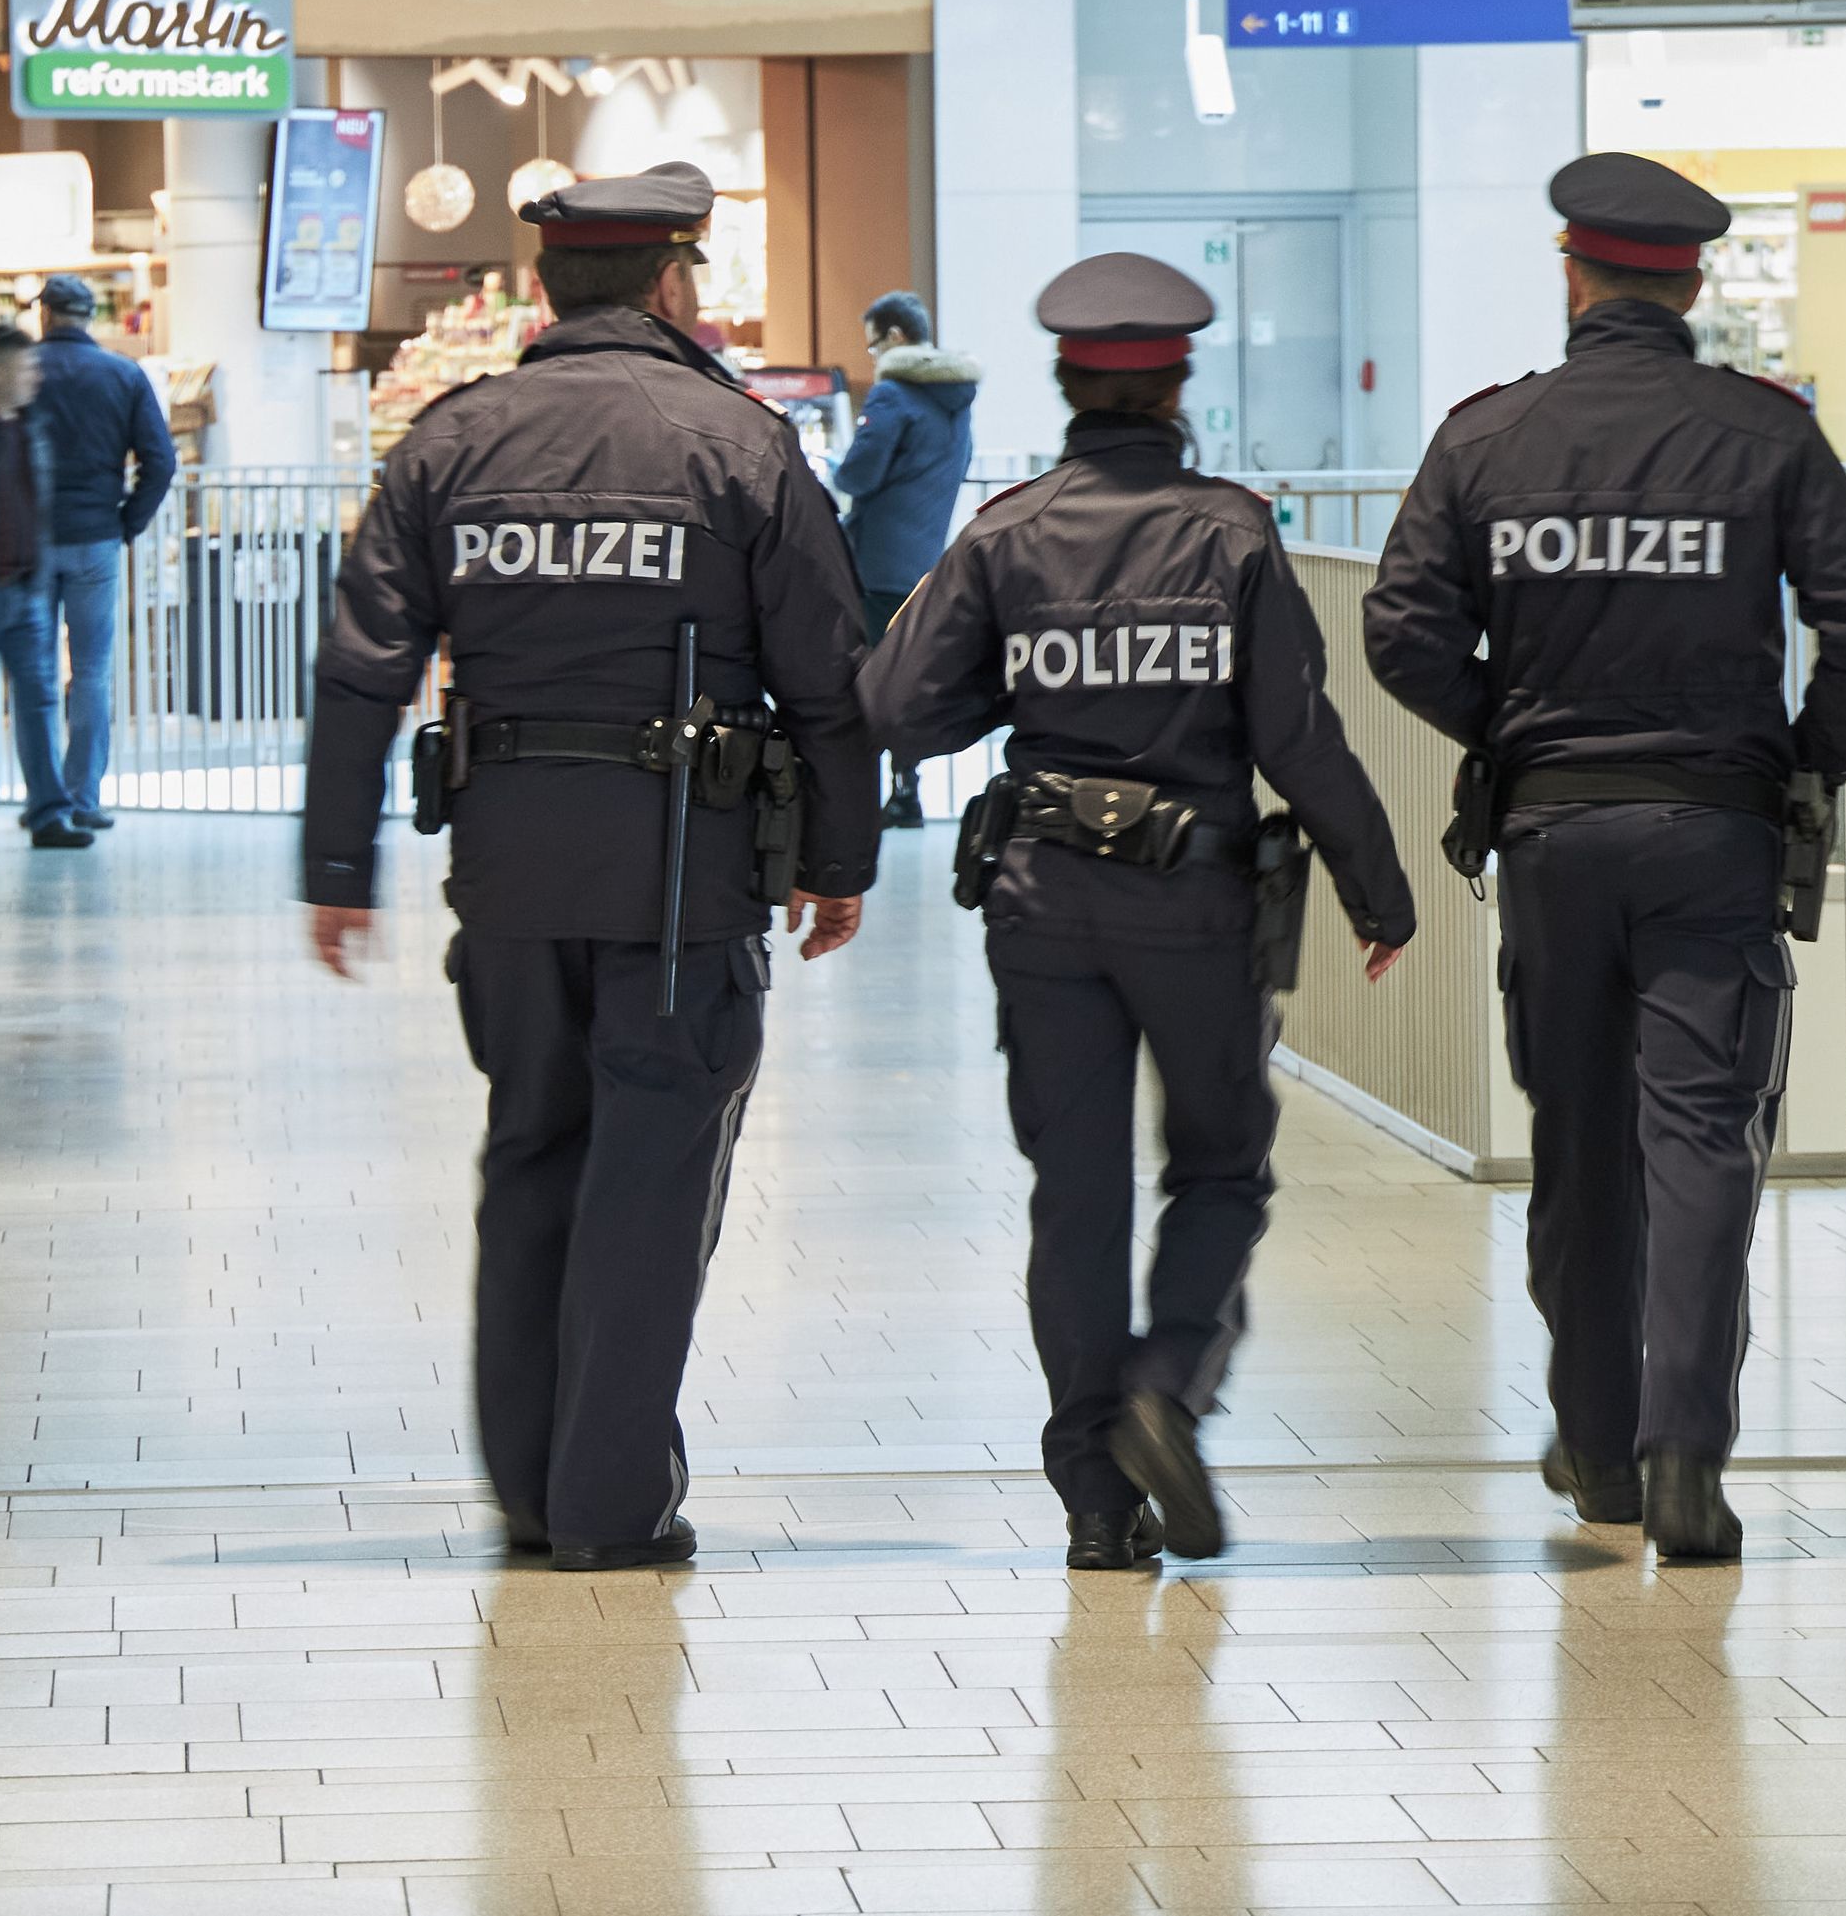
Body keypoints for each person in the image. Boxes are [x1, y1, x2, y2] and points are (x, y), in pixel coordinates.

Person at [300, 163, 882, 1572]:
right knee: (652, 1180)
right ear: (673, 281)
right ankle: (612, 1506)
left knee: (532, 1158)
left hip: (506, 874)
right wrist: (839, 857)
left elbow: (363, 663)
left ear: (553, 284)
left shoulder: (450, 440)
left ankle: (530, 1492)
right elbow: (829, 671)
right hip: (684, 879)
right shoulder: (740, 447)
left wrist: (338, 862)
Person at [1360, 153, 1846, 1561]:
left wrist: (1511, 732)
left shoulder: (1490, 437)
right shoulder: (1763, 433)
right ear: (1691, 282)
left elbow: (1401, 630)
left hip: (1553, 836)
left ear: (1574, 272)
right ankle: (1685, 1457)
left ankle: (1599, 1446)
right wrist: (1801, 759)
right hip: (1716, 833)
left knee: (1577, 1143)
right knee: (1700, 1141)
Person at [860, 252, 1416, 1572]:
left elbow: (895, 703)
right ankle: (1171, 1379)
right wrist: (1375, 887)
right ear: (1177, 385)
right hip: (1198, 902)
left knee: (1077, 1194)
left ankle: (1097, 1502)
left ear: (1065, 385)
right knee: (1221, 1166)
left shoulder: (1004, 532)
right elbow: (1297, 730)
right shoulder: (1230, 530)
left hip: (1044, 898)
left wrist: (1018, 687)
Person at [24, 271, 178, 835]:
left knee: (36, 672)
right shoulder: (123, 374)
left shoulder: (22, 371)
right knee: (91, 672)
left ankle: (47, 805)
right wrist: (126, 525)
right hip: (96, 540)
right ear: (91, 317)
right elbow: (160, 463)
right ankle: (82, 796)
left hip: (30, 545)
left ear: (44, 314)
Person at [829, 289, 978, 828]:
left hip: (873, 563)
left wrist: (834, 469)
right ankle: (907, 791)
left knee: (863, 678)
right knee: (904, 679)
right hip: (922, 559)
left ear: (894, 337)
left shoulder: (894, 394)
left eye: (872, 346)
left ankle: (861, 794)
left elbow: (859, 473)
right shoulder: (956, 399)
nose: (872, 357)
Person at [0, 322, 80, 848]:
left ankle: (49, 813)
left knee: (39, 699)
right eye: (26, 367)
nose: (36, 377)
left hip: (26, 591)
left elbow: (38, 505)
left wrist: (39, 576)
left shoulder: (33, 423)